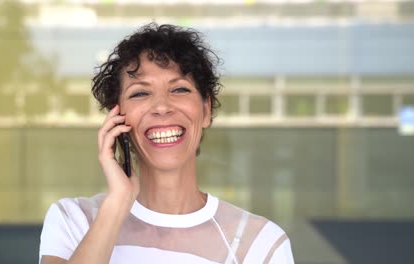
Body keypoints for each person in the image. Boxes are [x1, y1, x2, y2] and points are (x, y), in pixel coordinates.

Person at [39, 23, 294, 264]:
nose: (161, 107)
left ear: (206, 110)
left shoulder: (260, 243)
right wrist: (118, 202)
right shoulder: (74, 220)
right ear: (116, 117)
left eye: (179, 89)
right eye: (140, 93)